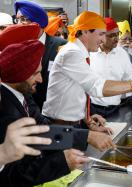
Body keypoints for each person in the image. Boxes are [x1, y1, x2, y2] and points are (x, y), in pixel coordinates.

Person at [42, 11, 132, 138]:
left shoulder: (81, 52)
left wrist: (86, 117)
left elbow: (77, 90)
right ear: (85, 31)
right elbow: (96, 86)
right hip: (61, 124)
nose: (102, 39)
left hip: (73, 122)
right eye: (101, 34)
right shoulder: (71, 53)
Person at [0, 40, 89, 186]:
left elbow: (42, 126)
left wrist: (85, 136)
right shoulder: (6, 112)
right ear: (18, 76)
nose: (41, 79)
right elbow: (14, 175)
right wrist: (61, 162)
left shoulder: (23, 94)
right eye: (35, 74)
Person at [14, 0, 68, 109]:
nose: (19, 24)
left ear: (38, 22)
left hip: (54, 112)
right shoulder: (17, 46)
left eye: (24, 19)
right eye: (17, 19)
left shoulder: (62, 46)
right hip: (25, 110)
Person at [90, 17, 132, 118]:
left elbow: (130, 78)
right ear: (101, 36)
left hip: (116, 108)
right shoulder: (90, 53)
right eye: (111, 35)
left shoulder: (122, 54)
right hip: (92, 108)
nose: (116, 38)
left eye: (117, 34)